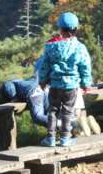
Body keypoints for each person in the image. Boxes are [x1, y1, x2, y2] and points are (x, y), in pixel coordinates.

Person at [38, 12, 93, 147]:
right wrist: (86, 84)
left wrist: (42, 81)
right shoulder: (80, 48)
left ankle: (50, 138)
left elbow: (44, 65)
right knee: (68, 111)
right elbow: (85, 67)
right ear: (75, 29)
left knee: (53, 110)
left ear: (60, 29)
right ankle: (65, 138)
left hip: (55, 85)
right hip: (71, 86)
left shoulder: (51, 47)